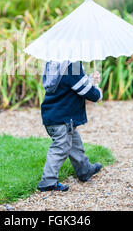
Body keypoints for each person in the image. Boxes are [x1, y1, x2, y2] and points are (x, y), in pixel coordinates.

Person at [37, 60, 103, 192]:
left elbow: (68, 85)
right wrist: (97, 92)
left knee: (74, 143)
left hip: (54, 115)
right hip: (63, 118)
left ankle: (85, 170)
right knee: (60, 147)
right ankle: (48, 181)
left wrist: (89, 79)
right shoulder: (71, 66)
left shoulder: (54, 64)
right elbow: (86, 91)